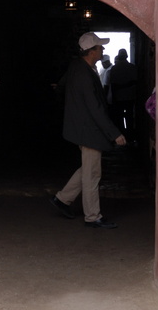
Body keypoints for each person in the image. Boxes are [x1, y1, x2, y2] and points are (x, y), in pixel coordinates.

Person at [50, 32, 126, 228]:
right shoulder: (85, 73)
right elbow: (95, 108)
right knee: (92, 174)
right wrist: (114, 133)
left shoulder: (78, 67)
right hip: (89, 130)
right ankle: (93, 216)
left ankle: (62, 199)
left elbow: (61, 86)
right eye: (100, 47)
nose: (103, 50)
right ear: (91, 51)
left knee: (87, 168)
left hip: (81, 127)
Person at [108, 48, 138, 138]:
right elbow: (135, 82)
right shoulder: (132, 67)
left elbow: (113, 85)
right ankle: (130, 135)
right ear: (126, 56)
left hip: (118, 97)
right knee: (129, 116)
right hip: (130, 96)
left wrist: (113, 98)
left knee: (119, 117)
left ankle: (122, 135)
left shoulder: (114, 69)